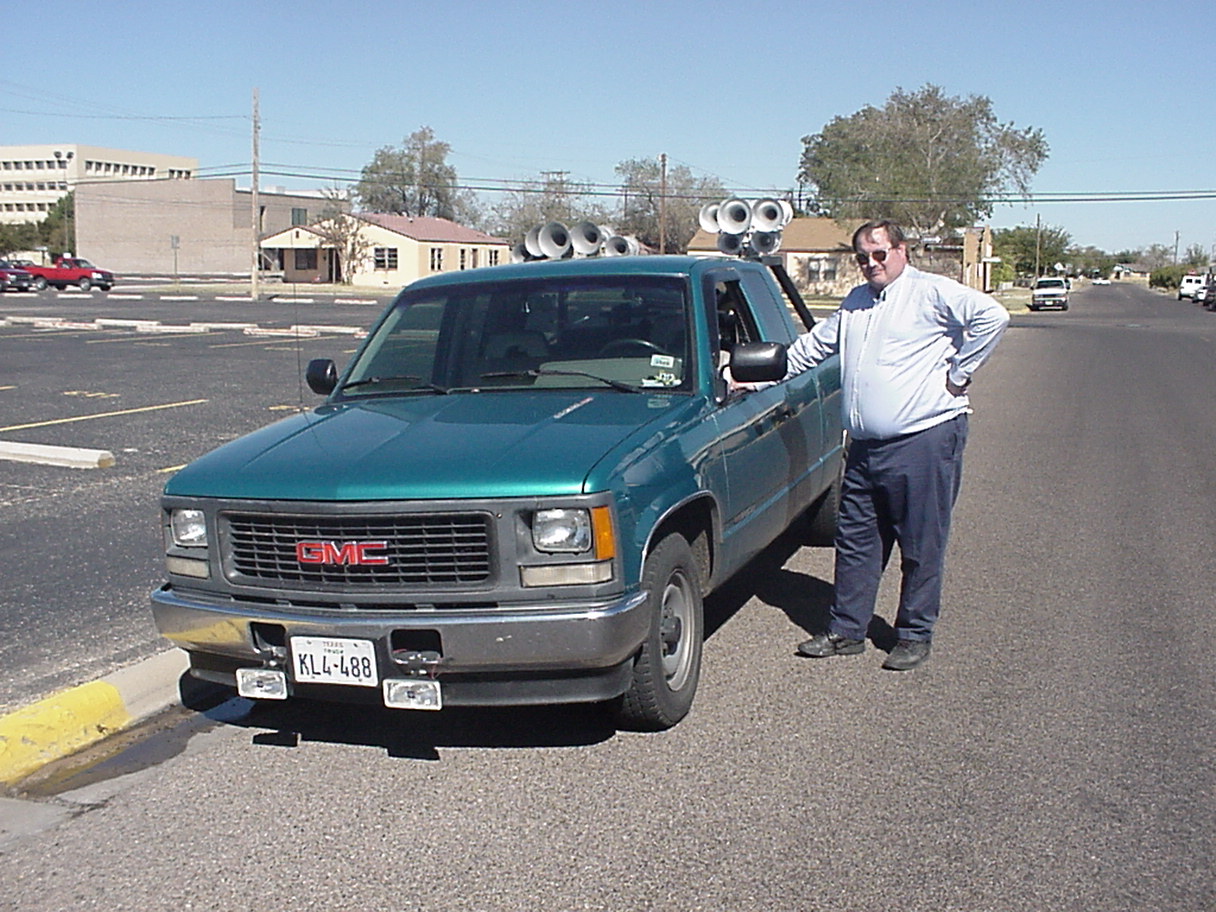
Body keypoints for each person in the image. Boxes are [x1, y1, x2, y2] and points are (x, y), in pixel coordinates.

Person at [784, 219, 1009, 670]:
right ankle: (847, 630)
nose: (871, 263)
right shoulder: (856, 302)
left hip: (924, 439)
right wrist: (749, 378)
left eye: (879, 253)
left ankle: (914, 634)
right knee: (855, 541)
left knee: (921, 543)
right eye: (862, 257)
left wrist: (960, 373)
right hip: (865, 447)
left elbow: (994, 316)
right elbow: (812, 349)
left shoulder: (930, 292)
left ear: (901, 251)